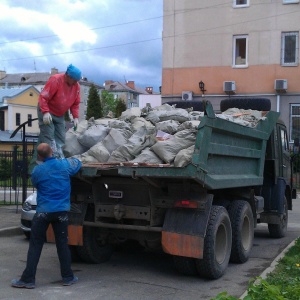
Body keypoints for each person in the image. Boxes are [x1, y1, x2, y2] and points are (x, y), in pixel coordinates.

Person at [11, 143, 82, 289]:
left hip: (43, 212)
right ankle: (68, 277)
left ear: (39, 156)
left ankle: (28, 280)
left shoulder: (38, 170)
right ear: (52, 152)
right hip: (61, 212)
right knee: (62, 244)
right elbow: (77, 164)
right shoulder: (64, 165)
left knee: (35, 245)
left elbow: (36, 184)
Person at [30, 64, 81, 169]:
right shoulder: (56, 80)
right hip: (46, 110)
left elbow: (75, 103)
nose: (76, 83)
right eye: (75, 80)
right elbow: (43, 97)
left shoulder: (76, 86)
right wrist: (45, 112)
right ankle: (52, 163)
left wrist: (75, 117)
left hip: (59, 114)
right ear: (68, 76)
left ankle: (42, 161)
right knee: (49, 137)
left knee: (61, 137)